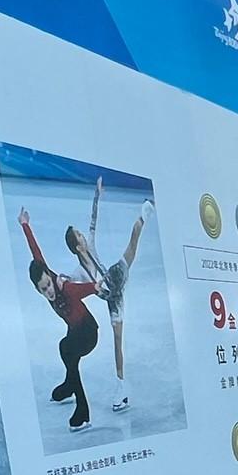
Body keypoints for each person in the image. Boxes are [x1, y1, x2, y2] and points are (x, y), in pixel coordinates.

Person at [64, 176, 149, 414]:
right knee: (117, 340)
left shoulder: (90, 245)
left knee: (132, 243)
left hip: (114, 277)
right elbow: (70, 285)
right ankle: (121, 387)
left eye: (81, 234)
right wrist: (60, 278)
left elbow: (94, 219)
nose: (83, 235)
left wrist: (96, 195)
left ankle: (143, 217)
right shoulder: (79, 272)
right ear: (77, 245)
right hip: (113, 299)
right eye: (79, 236)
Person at [20, 206, 100, 431]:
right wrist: (25, 225)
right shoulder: (43, 279)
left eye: (48, 285)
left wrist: (96, 287)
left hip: (88, 333)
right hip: (75, 331)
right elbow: (36, 253)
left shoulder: (63, 287)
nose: (49, 291)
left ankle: (83, 411)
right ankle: (68, 385)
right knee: (69, 353)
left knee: (66, 348)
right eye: (43, 289)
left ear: (50, 276)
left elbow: (81, 290)